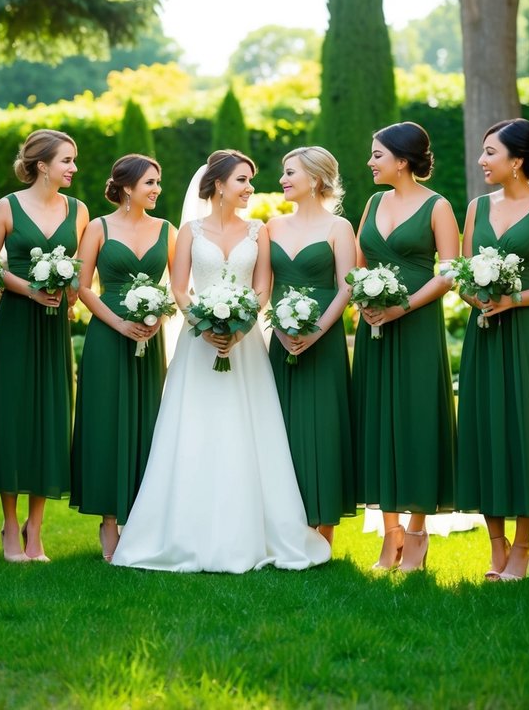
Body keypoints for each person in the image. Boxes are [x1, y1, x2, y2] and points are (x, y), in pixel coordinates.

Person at [112, 150, 331, 572]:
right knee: (195, 429)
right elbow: (178, 289)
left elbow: (263, 287)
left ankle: (257, 533)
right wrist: (205, 325)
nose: (250, 188)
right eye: (242, 181)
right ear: (217, 185)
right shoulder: (190, 231)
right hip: (199, 344)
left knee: (249, 430)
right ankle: (182, 533)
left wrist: (240, 326)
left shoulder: (258, 231)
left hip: (245, 345)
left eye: (250, 180)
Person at [455, 119, 529, 581]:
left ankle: (523, 547)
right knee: (486, 430)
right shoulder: (475, 208)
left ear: (517, 161)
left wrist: (514, 299)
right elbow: (465, 273)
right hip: (484, 334)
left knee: (525, 430)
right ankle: (496, 547)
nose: (482, 161)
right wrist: (478, 298)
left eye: (490, 153)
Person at [352, 122, 460, 572]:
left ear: (402, 159)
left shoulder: (438, 206)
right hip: (374, 326)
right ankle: (389, 532)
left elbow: (451, 271)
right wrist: (366, 300)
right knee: (377, 419)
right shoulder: (373, 202)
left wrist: (403, 308)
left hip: (415, 326)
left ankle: (417, 533)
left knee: (417, 419)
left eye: (378, 155)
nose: (371, 162)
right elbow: (357, 263)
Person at [0, 129, 88, 562]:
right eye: (67, 160)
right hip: (15, 323)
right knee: (10, 416)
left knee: (51, 416)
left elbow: (82, 268)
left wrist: (72, 294)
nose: (73, 168)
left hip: (53, 327)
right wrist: (28, 289)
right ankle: (10, 525)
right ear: (42, 165)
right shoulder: (5, 207)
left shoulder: (79, 211)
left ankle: (35, 529)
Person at [70, 154, 176, 561]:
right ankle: (109, 522)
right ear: (127, 187)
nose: (156, 190)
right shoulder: (98, 228)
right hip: (107, 336)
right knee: (106, 422)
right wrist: (118, 323)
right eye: (150, 183)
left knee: (146, 423)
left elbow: (178, 283)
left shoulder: (167, 230)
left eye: (158, 182)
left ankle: (142, 519)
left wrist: (159, 315)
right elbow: (83, 287)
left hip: (149, 340)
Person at [267, 146, 357, 547]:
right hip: (280, 338)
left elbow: (347, 287)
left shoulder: (339, 228)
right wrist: (281, 328)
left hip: (324, 341)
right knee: (279, 428)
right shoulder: (270, 226)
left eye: (290, 173)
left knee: (323, 426)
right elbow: (264, 288)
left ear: (316, 180)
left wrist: (317, 331)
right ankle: (282, 523)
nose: (283, 180)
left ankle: (324, 529)